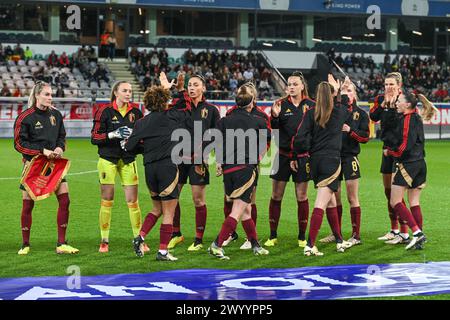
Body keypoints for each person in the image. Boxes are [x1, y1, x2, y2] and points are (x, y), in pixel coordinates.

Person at [126, 73, 189, 261]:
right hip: (167, 167)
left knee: (156, 209)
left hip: (149, 169)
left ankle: (140, 237)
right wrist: (178, 88)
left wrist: (145, 147)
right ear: (165, 102)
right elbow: (185, 105)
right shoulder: (172, 117)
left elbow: (129, 147)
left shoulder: (141, 122)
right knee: (168, 212)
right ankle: (163, 251)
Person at [13, 81, 79, 255]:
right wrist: (42, 151)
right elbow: (19, 144)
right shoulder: (24, 117)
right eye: (47, 94)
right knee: (28, 205)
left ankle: (61, 244)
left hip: (53, 166)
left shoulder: (56, 115)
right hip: (33, 166)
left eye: (51, 94)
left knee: (65, 200)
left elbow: (62, 137)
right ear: (37, 95)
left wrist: (59, 148)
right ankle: (25, 244)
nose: (50, 97)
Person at [292, 74, 354, 256]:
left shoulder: (311, 113)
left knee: (331, 202)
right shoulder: (339, 111)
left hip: (315, 162)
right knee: (321, 203)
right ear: (332, 95)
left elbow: (299, 139)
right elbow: (348, 105)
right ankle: (310, 244)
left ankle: (340, 240)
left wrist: (304, 152)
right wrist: (341, 89)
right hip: (331, 162)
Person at [208, 84, 270, 260]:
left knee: (246, 211)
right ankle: (217, 244)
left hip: (229, 171)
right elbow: (266, 142)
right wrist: (257, 159)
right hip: (245, 170)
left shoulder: (224, 120)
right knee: (238, 211)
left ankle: (255, 245)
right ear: (252, 103)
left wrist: (219, 161)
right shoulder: (258, 121)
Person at [167, 73, 220, 252]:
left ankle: (198, 239)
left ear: (203, 88)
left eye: (196, 84)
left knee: (198, 200)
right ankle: (176, 234)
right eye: (190, 85)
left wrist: (213, 156)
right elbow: (168, 108)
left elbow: (216, 136)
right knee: (173, 196)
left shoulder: (211, 110)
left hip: (199, 160)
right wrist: (176, 90)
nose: (192, 87)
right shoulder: (181, 106)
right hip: (179, 157)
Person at [91, 81, 145, 253]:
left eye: (130, 91)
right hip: (108, 160)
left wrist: (133, 140)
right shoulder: (104, 111)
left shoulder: (136, 112)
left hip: (129, 160)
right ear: (116, 92)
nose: (128, 93)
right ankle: (104, 240)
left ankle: (139, 239)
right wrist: (112, 134)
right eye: (125, 90)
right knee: (107, 200)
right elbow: (94, 137)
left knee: (133, 202)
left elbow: (142, 137)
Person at [265, 71, 315, 248]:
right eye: (289, 84)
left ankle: (302, 237)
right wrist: (275, 118)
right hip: (283, 156)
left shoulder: (311, 105)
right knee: (276, 195)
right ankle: (272, 235)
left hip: (303, 157)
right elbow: (275, 132)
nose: (291, 87)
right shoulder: (280, 105)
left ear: (302, 86)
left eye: (295, 84)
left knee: (301, 196)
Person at [384, 91, 437, 250]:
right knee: (414, 202)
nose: (396, 103)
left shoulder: (408, 119)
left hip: (409, 164)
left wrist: (390, 152)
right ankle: (419, 239)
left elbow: (404, 147)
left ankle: (417, 233)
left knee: (395, 201)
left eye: (399, 101)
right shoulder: (415, 116)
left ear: (407, 104)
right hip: (420, 163)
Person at [319, 82, 369, 245]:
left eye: (349, 90)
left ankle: (356, 235)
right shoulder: (334, 111)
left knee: (352, 197)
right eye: (344, 90)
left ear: (355, 93)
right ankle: (336, 233)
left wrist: (350, 131)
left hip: (350, 157)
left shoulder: (361, 114)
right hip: (333, 157)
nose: (346, 93)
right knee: (334, 198)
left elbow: (365, 137)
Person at [369, 72, 409, 244]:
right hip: (386, 151)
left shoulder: (404, 100)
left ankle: (405, 232)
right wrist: (384, 104)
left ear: (399, 86)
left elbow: (404, 124)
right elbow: (373, 116)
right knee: (388, 192)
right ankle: (394, 229)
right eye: (386, 84)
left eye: (392, 84)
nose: (388, 87)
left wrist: (393, 108)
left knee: (396, 195)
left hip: (400, 152)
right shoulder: (380, 99)